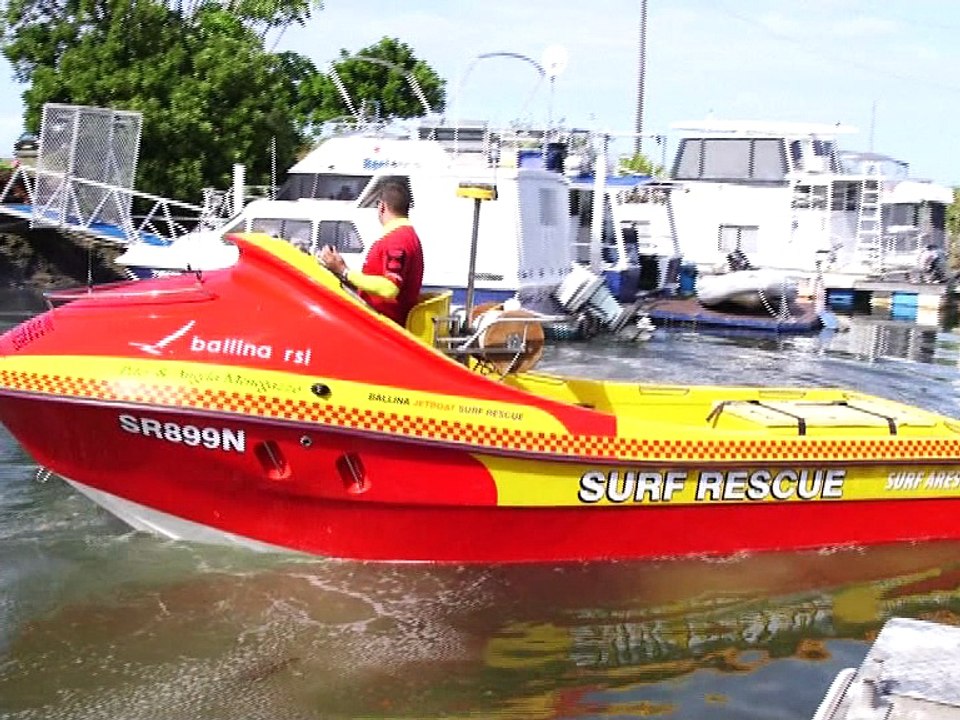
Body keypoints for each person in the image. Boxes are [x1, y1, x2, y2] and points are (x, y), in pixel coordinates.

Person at [319, 179, 424, 326]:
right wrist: (343, 272)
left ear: (382, 207)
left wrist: (344, 272)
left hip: (384, 326)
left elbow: (389, 288)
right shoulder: (407, 236)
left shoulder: (397, 240)